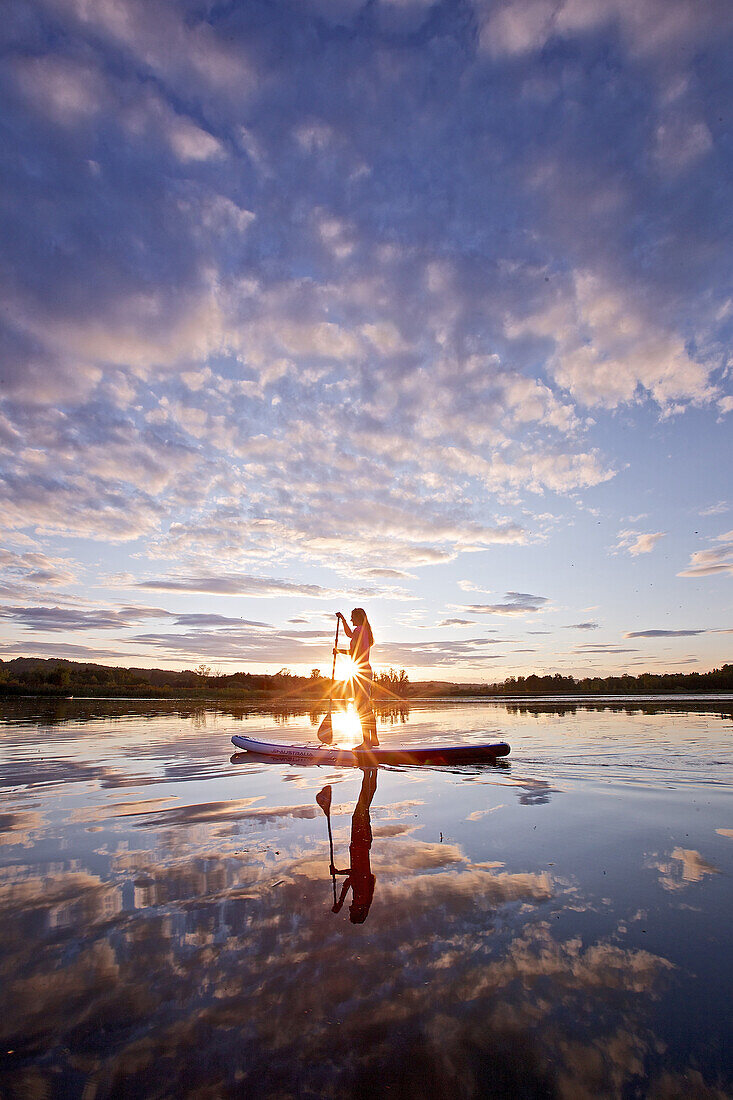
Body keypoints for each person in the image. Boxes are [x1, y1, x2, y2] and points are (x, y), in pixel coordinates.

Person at [329, 767, 378, 924]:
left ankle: (371, 772)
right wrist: (339, 872)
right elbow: (354, 875)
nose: (350, 908)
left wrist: (342, 901)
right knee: (363, 805)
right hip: (360, 843)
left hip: (359, 843)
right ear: (359, 910)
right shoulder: (362, 896)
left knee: (363, 805)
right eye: (352, 910)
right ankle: (370, 772)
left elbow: (349, 881)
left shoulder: (360, 897)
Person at [335, 608, 378, 747]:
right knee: (366, 706)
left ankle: (367, 742)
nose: (351, 619)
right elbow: (349, 634)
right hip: (365, 671)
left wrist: (339, 651)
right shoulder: (363, 631)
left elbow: (353, 652)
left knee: (361, 707)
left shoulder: (359, 630)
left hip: (360, 672)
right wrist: (342, 619)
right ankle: (374, 739)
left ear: (358, 617)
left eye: (352, 617)